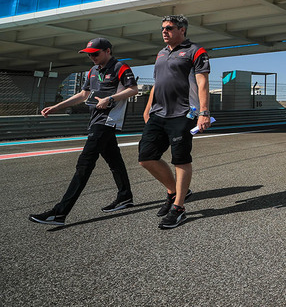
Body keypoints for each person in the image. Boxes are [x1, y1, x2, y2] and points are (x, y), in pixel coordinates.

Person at [29, 38, 138, 226]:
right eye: (89, 54)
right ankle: (125, 196)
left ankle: (59, 213)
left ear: (108, 51)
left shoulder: (120, 67)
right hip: (95, 119)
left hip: (107, 120)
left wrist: (110, 98)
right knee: (114, 160)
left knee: (84, 164)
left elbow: (133, 89)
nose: (91, 57)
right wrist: (56, 106)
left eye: (95, 53)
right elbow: (83, 95)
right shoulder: (93, 71)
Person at [139, 15, 210, 229]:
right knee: (146, 157)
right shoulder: (161, 53)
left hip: (184, 113)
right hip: (158, 113)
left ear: (182, 30)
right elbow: (157, 83)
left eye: (169, 28)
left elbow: (202, 82)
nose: (164, 31)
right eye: (162, 28)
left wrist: (204, 112)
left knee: (180, 160)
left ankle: (178, 208)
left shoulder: (195, 51)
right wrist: (148, 107)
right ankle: (175, 191)